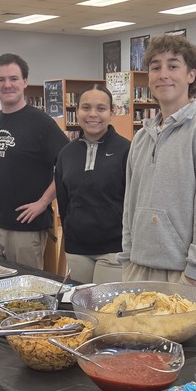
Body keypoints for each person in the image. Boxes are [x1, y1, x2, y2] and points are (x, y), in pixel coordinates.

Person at [119, 34, 196, 288]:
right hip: (137, 268)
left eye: (173, 65)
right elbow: (130, 204)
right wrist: (127, 259)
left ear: (191, 75)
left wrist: (193, 275)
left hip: (182, 274)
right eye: (155, 67)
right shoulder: (140, 138)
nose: (163, 74)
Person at [0, 53, 69, 269]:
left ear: (24, 81)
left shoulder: (41, 123)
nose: (7, 85)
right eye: (1, 80)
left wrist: (44, 202)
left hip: (27, 229)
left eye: (13, 78)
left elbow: (67, 165)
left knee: (26, 294)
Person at [54, 85, 129, 284]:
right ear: (77, 111)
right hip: (77, 249)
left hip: (114, 249)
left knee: (104, 310)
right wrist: (70, 235)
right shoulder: (66, 154)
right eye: (86, 108)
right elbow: (63, 200)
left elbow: (134, 200)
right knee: (81, 310)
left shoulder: (127, 150)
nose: (93, 114)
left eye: (101, 108)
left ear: (112, 112)